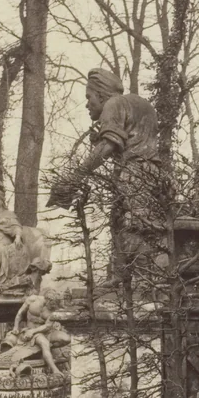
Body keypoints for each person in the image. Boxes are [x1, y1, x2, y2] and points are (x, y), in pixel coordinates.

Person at [47, 67, 164, 277]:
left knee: (132, 223)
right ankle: (127, 277)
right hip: (150, 171)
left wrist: (75, 177)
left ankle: (138, 280)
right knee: (133, 221)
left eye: (89, 97)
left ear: (101, 94)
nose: (87, 104)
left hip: (134, 172)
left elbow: (108, 145)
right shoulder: (136, 103)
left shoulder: (113, 103)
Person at [0, 291, 70, 377]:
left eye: (54, 306)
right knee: (44, 343)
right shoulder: (32, 299)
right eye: (51, 304)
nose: (52, 307)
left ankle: (42, 350)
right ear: (47, 300)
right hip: (30, 331)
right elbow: (20, 314)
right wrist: (15, 327)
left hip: (45, 332)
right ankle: (55, 370)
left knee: (66, 339)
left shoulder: (53, 309)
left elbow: (47, 326)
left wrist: (33, 331)